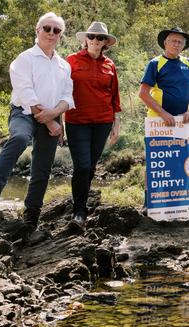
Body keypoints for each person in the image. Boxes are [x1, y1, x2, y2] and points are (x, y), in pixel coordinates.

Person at [0, 12, 74, 232]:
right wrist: (50, 122)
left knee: (43, 165)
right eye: (47, 28)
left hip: (52, 115)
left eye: (56, 30)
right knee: (20, 138)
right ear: (37, 30)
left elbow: (67, 97)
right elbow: (26, 93)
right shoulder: (24, 59)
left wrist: (56, 117)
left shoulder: (64, 65)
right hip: (24, 113)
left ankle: (31, 216)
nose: (51, 33)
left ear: (60, 35)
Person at [65, 21, 121, 227]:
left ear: (105, 42)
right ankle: (79, 212)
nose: (95, 40)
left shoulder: (110, 65)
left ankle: (81, 202)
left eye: (100, 38)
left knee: (90, 167)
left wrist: (116, 123)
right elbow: (60, 91)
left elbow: (115, 96)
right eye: (92, 36)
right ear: (85, 39)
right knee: (82, 166)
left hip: (103, 122)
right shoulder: (70, 61)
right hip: (76, 121)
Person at [139, 26, 189, 124]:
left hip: (182, 120)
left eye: (180, 42)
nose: (176, 44)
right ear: (165, 43)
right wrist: (163, 113)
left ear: (184, 46)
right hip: (158, 120)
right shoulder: (155, 63)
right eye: (173, 41)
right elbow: (143, 93)